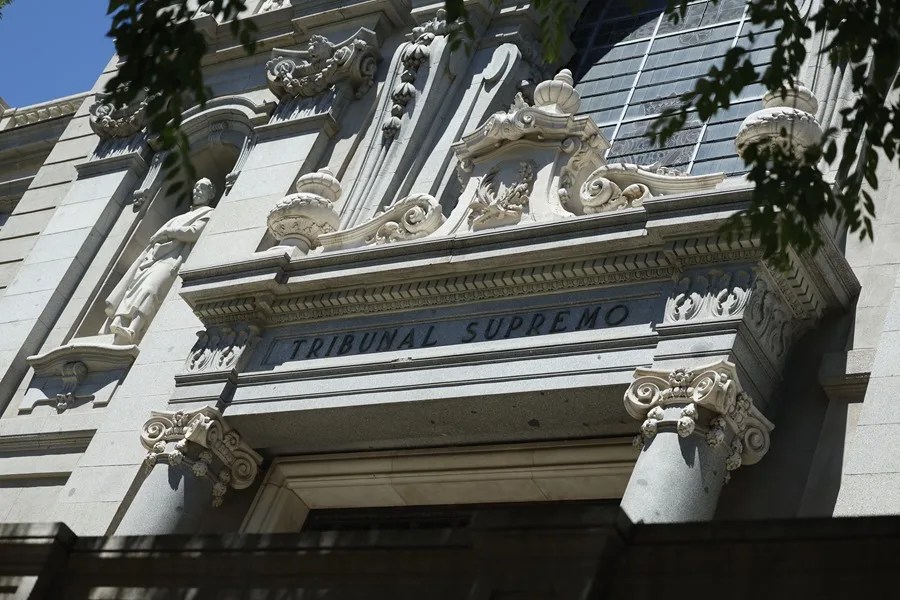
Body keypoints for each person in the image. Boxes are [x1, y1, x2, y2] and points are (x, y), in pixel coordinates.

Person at [104, 178, 216, 344]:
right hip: (153, 258)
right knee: (134, 288)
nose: (197, 190)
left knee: (151, 289)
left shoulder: (209, 213)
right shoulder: (181, 216)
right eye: (195, 187)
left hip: (173, 259)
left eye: (203, 188)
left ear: (211, 194)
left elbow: (193, 232)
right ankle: (120, 321)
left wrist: (169, 233)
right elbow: (155, 238)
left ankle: (134, 328)